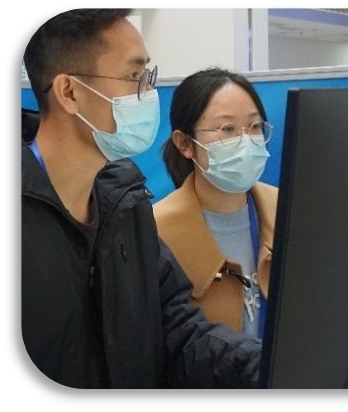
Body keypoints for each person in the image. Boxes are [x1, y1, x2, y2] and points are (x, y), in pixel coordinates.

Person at [22, 9, 262, 389]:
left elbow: (178, 330)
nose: (149, 94)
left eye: (147, 77)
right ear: (69, 92)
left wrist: (267, 366)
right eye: (134, 77)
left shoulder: (125, 204)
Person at [153, 68, 278, 339]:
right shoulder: (155, 231)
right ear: (185, 143)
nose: (246, 142)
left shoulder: (286, 210)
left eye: (255, 127)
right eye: (227, 129)